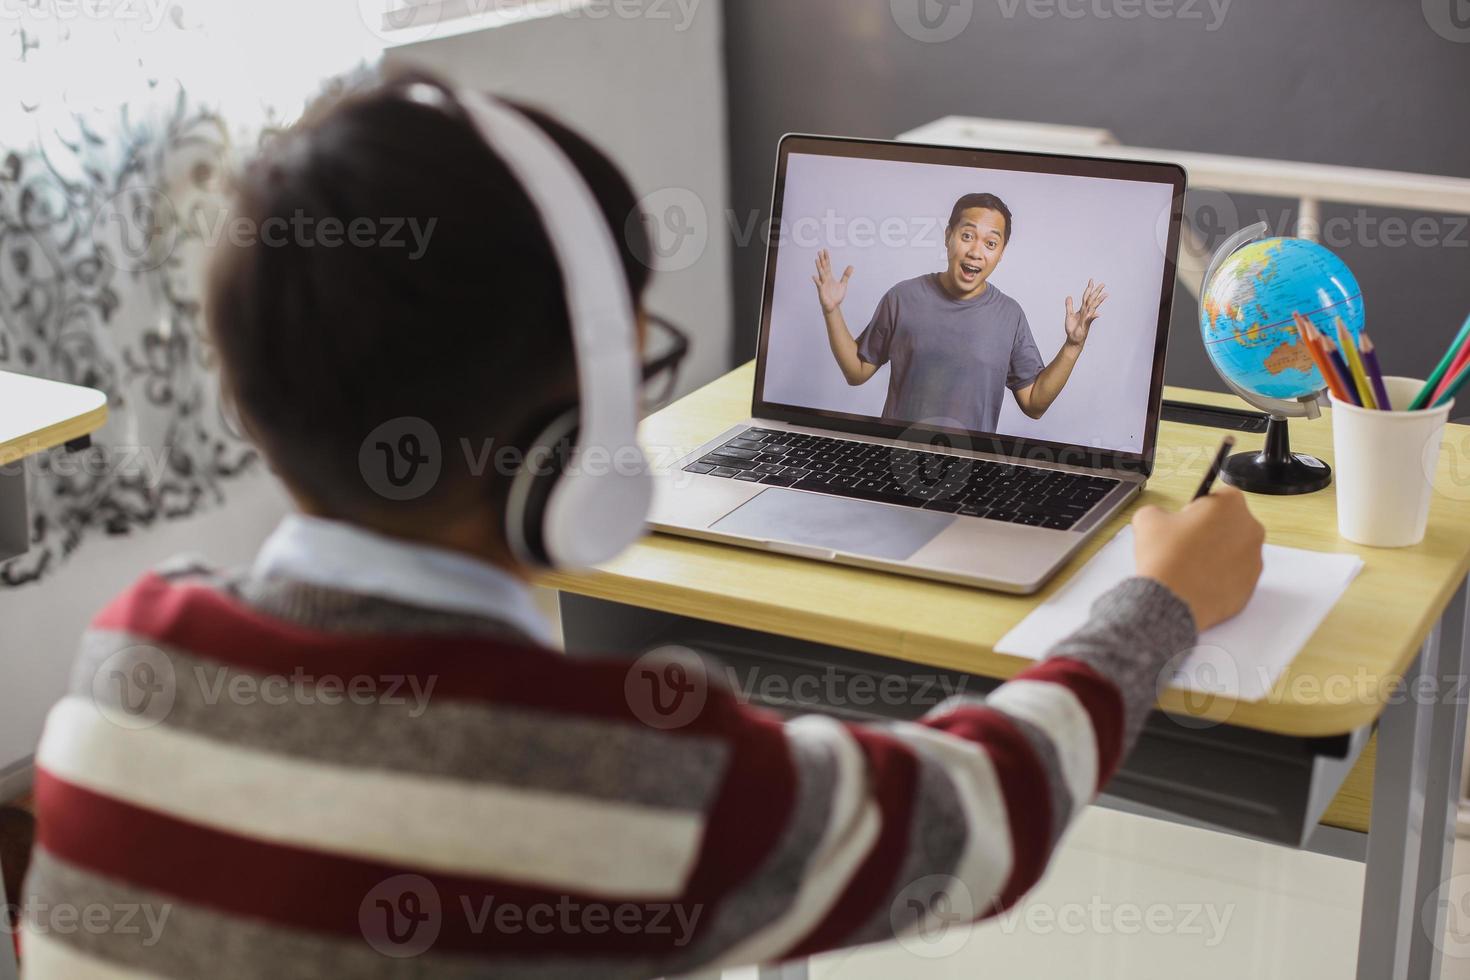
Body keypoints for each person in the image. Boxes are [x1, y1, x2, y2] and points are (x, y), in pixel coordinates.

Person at [19, 69, 1265, 978]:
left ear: (249, 390)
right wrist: (1158, 602)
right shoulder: (644, 778)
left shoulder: (127, 662)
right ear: (596, 397)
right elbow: (991, 814)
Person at [815, 193, 1106, 433]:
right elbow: (856, 371)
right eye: (968, 235)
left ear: (1001, 253)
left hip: (971, 470)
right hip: (896, 459)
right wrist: (832, 310)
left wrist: (1073, 346)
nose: (976, 251)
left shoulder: (1009, 315)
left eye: (990, 243)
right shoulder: (903, 298)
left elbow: (1034, 404)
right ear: (948, 237)